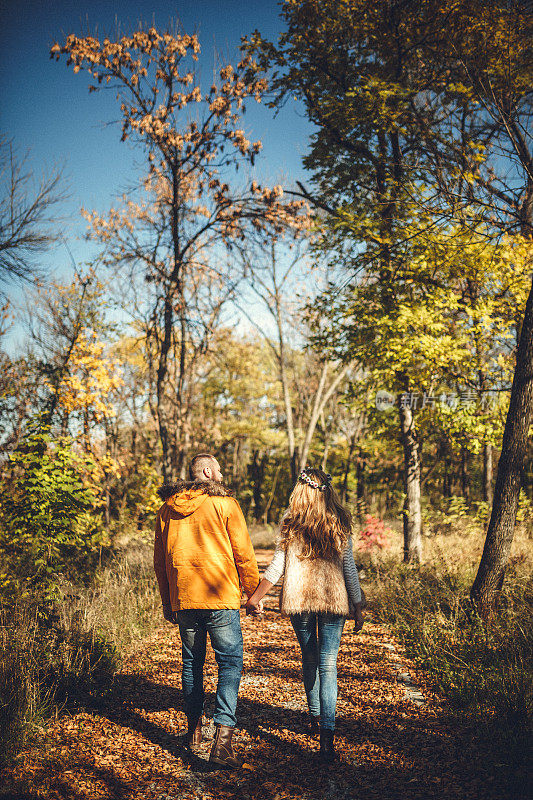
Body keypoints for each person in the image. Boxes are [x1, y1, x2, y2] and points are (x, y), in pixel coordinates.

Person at [246, 467, 364, 763]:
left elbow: (276, 568)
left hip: (299, 600)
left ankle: (314, 716)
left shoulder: (290, 521)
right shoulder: (340, 521)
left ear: (301, 490)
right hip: (333, 599)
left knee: (310, 657)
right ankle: (327, 737)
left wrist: (255, 598)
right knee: (328, 664)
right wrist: (358, 604)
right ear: (328, 490)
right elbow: (349, 568)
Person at [154, 453, 262, 769]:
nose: (222, 473)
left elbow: (160, 563)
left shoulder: (167, 510)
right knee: (229, 663)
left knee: (192, 663)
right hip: (220, 596)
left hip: (185, 598)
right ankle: (223, 742)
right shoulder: (226, 504)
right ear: (207, 472)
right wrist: (253, 591)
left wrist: (167, 600)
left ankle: (193, 733)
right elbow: (243, 553)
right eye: (219, 469)